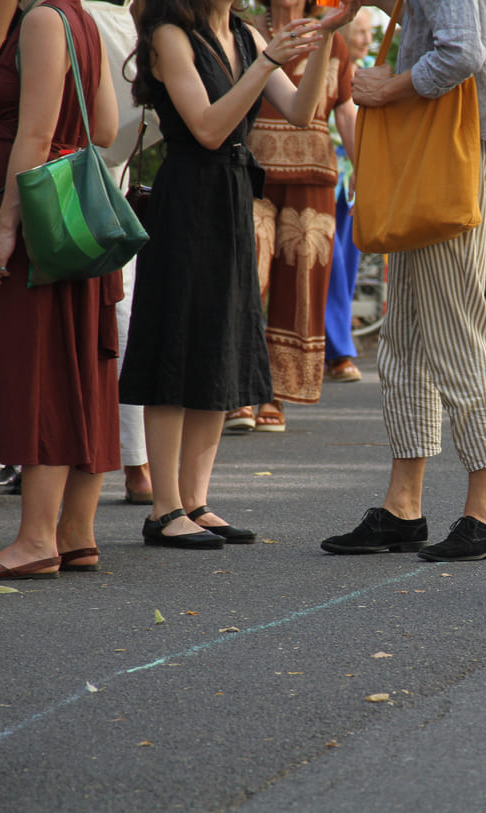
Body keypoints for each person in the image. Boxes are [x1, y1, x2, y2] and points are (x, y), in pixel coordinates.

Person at [119, 0, 350, 548]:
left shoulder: (244, 33)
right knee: (176, 346)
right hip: (187, 199)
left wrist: (321, 44)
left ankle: (196, 502)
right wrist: (266, 61)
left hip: (231, 196)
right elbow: (207, 127)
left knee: (218, 345)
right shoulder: (171, 35)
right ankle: (163, 509)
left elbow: (300, 112)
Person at [0, 0, 121, 579]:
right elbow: (104, 128)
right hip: (66, 206)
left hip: (32, 213)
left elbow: (34, 134)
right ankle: (75, 532)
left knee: (38, 368)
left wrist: (6, 228)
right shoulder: (81, 19)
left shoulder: (40, 21)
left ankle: (37, 539)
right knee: (73, 364)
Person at [318, 0, 486, 563]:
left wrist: (387, 89)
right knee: (405, 334)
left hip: (449, 146)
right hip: (433, 147)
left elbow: (462, 50)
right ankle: (403, 507)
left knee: (454, 329)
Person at [243, 0, 355, 432]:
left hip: (314, 177)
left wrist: (365, 168)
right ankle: (238, 391)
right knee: (247, 278)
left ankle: (273, 394)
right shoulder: (246, 32)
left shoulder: (334, 37)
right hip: (252, 173)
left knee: (300, 289)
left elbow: (344, 107)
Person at [321, 6, 373, 385]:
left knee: (348, 261)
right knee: (332, 260)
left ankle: (336, 343)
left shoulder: (372, 67)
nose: (367, 38)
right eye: (362, 31)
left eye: (371, 32)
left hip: (357, 170)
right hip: (327, 167)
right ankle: (339, 349)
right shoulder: (329, 55)